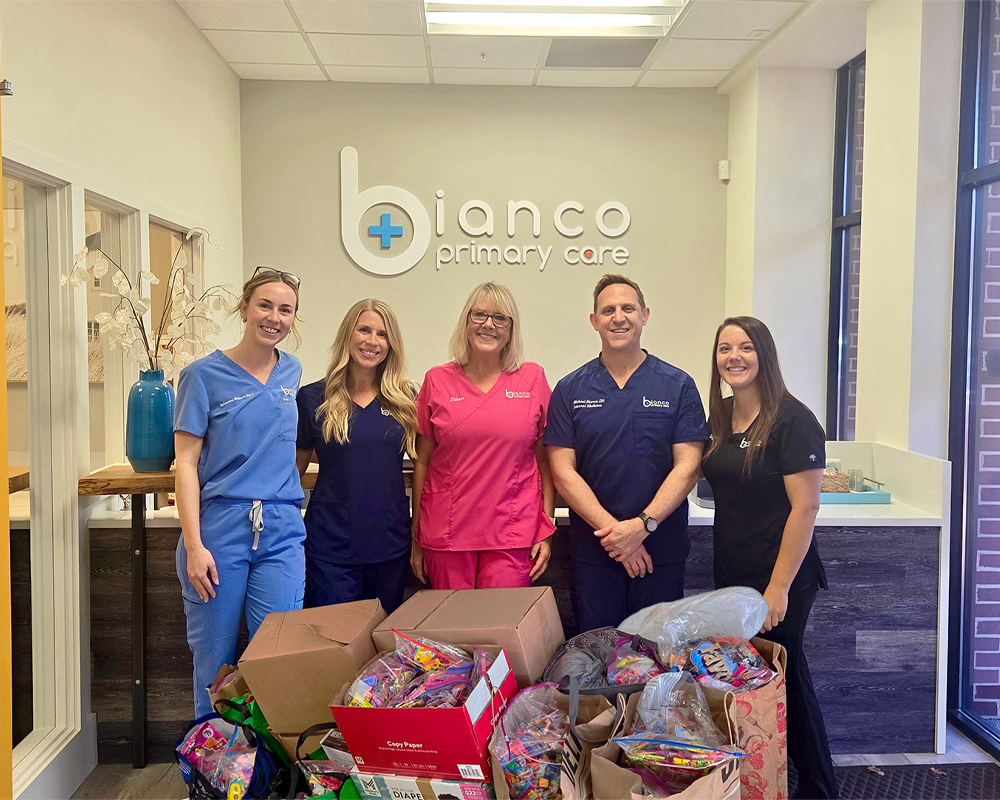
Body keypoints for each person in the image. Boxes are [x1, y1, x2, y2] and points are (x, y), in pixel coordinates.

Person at [701, 316, 837, 800]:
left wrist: (776, 588)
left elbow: (807, 507)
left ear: (765, 355)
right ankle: (766, 777)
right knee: (759, 677)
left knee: (787, 675)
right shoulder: (720, 414)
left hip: (780, 576)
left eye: (745, 347)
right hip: (733, 570)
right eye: (724, 348)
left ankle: (820, 788)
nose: (733, 356)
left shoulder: (792, 419)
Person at [174, 266, 306, 718]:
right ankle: (212, 774)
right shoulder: (201, 375)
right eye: (265, 305)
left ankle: (262, 770)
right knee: (215, 664)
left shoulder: (292, 372)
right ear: (245, 307)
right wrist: (194, 545)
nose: (274, 317)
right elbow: (186, 464)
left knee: (277, 658)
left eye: (285, 310)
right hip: (220, 530)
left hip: (282, 530)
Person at [545, 274, 707, 632]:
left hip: (660, 552)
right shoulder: (569, 389)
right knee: (599, 659)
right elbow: (563, 473)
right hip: (596, 554)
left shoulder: (678, 385)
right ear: (594, 321)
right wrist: (619, 537)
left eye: (628, 308)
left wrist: (642, 526)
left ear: (645, 315)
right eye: (608, 310)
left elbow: (689, 465)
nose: (619, 317)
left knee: (656, 660)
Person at [410, 281, 555, 589]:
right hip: (446, 533)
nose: (488, 324)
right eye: (479, 315)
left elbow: (546, 462)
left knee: (501, 629)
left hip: (512, 534)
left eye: (500, 317)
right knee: (450, 632)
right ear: (466, 322)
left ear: (511, 328)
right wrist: (417, 537)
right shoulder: (437, 381)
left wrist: (546, 526)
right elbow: (422, 461)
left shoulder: (533, 378)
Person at [295, 299, 417, 614]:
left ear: (391, 344)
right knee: (335, 649)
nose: (371, 341)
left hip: (389, 547)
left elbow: (428, 467)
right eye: (364, 329)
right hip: (330, 548)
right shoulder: (312, 399)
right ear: (348, 334)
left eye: (382, 333)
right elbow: (291, 474)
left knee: (381, 650)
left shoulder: (407, 400)